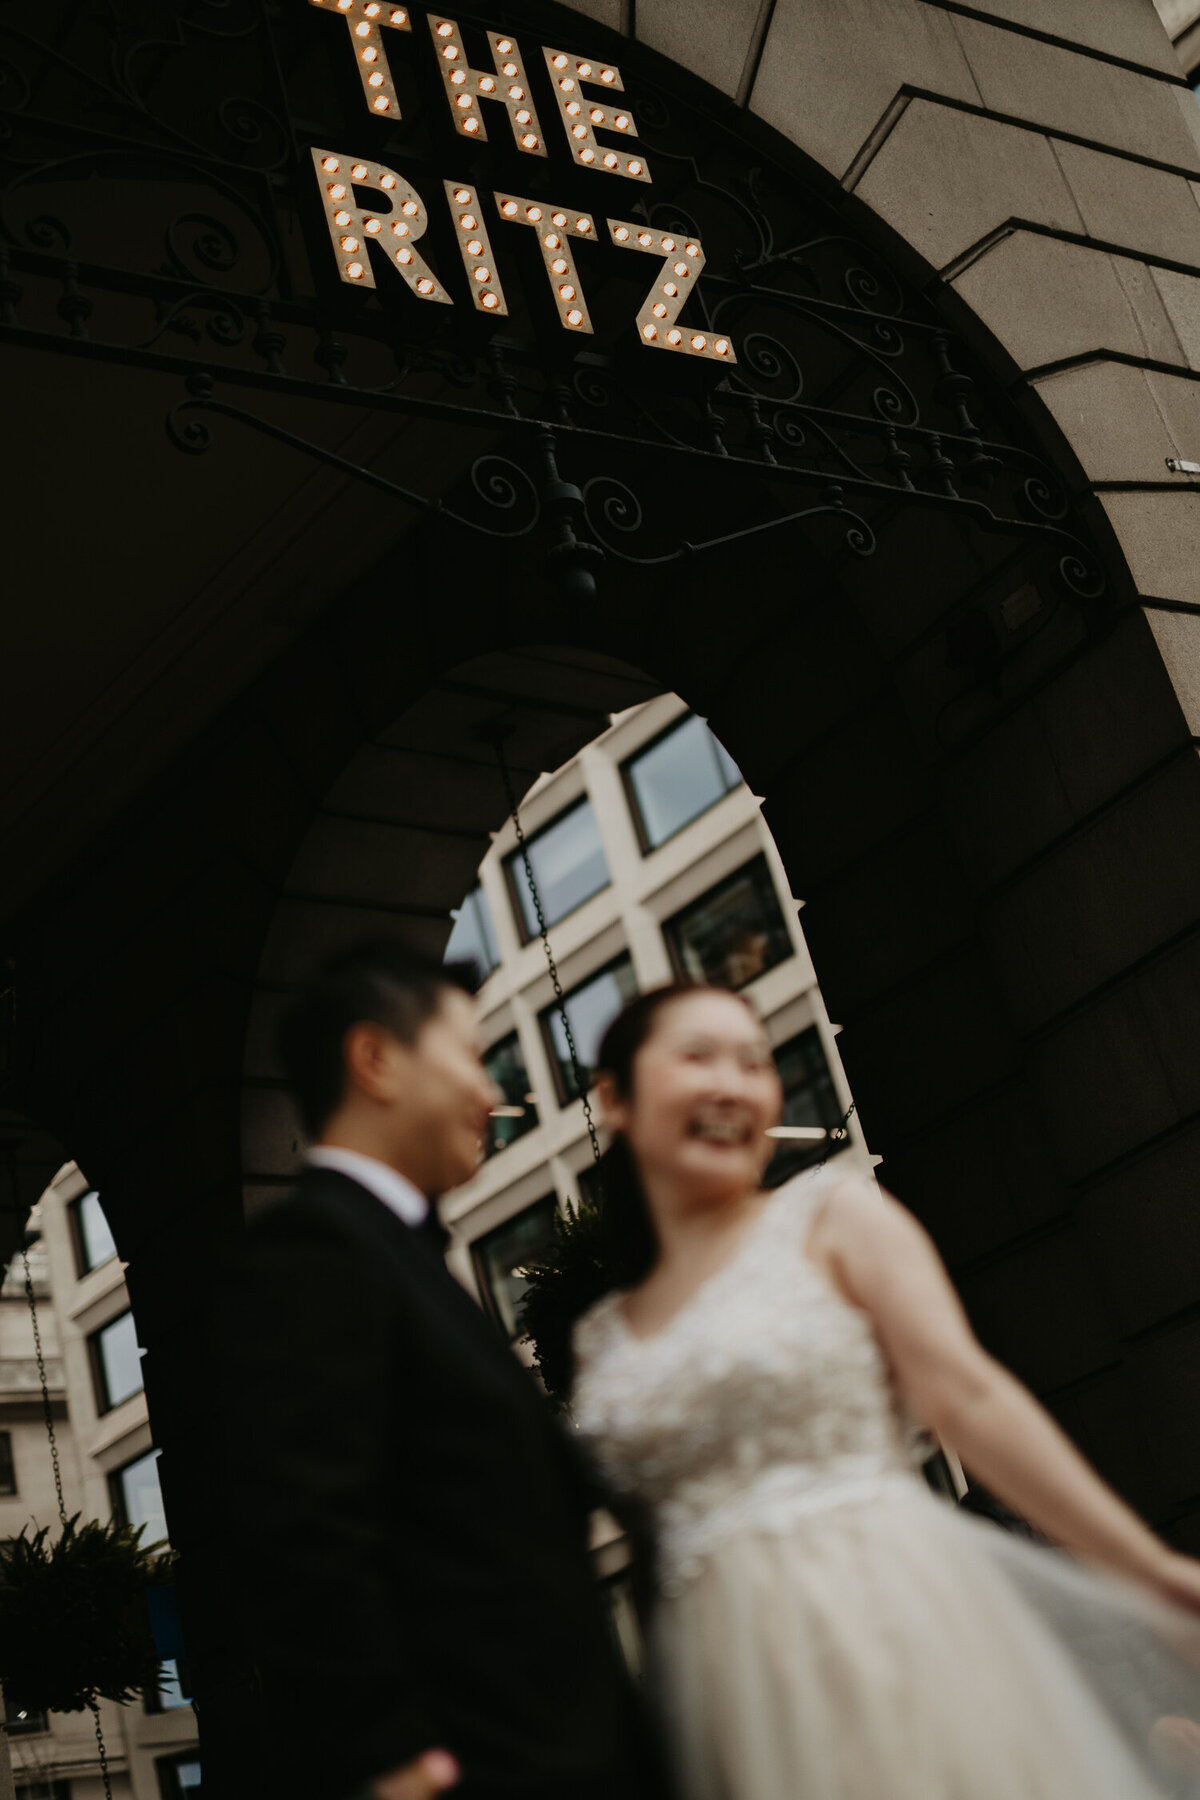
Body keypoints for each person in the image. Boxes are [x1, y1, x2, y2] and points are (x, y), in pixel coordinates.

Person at [568, 982, 1200, 1800]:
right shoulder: (603, 1337)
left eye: (755, 1063)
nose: (733, 1085)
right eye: (699, 1056)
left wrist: (1148, 1572)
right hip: (730, 1686)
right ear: (614, 1098)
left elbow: (967, 1398)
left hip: (885, 1619)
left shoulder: (832, 1218)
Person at [218, 941, 665, 1800]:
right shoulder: (311, 1254)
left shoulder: (401, 1256)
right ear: (376, 1060)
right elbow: (306, 1534)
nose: (492, 1093)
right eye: (471, 1055)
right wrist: (395, 1758)